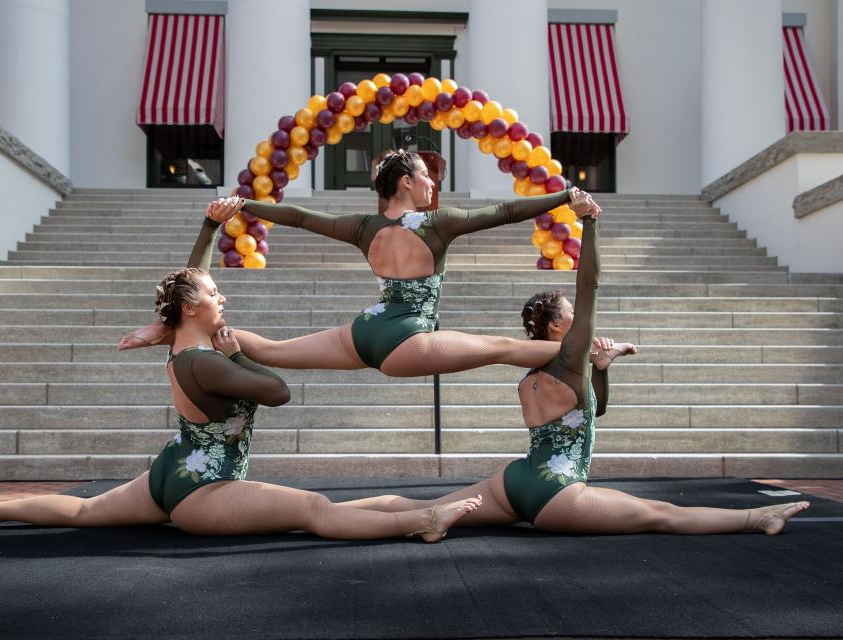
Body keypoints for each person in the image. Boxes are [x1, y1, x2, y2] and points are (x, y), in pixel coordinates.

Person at [0, 220, 483, 541]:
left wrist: (210, 227)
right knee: (313, 510)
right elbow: (279, 393)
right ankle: (423, 520)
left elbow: (194, 281)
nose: (223, 297)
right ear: (191, 307)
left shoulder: (183, 344)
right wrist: (240, 357)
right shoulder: (207, 360)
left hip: (172, 470)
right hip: (202, 494)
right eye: (216, 295)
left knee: (89, 511)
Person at [335, 205, 810, 535]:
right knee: (662, 514)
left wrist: (601, 367)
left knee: (423, 508)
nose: (580, 319)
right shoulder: (569, 353)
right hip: (555, 494)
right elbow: (592, 284)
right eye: (572, 314)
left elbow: (592, 410)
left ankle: (334, 514)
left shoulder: (532, 373)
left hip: (515, 483)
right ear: (563, 325)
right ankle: (756, 518)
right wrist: (591, 226)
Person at [118, 149, 603, 378]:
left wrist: (241, 207)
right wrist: (566, 194)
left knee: (269, 349)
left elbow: (300, 217)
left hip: (365, 330)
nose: (432, 185)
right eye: (426, 178)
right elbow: (506, 211)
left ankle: (169, 328)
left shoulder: (363, 227)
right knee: (505, 348)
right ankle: (598, 352)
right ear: (407, 184)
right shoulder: (438, 223)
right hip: (408, 338)